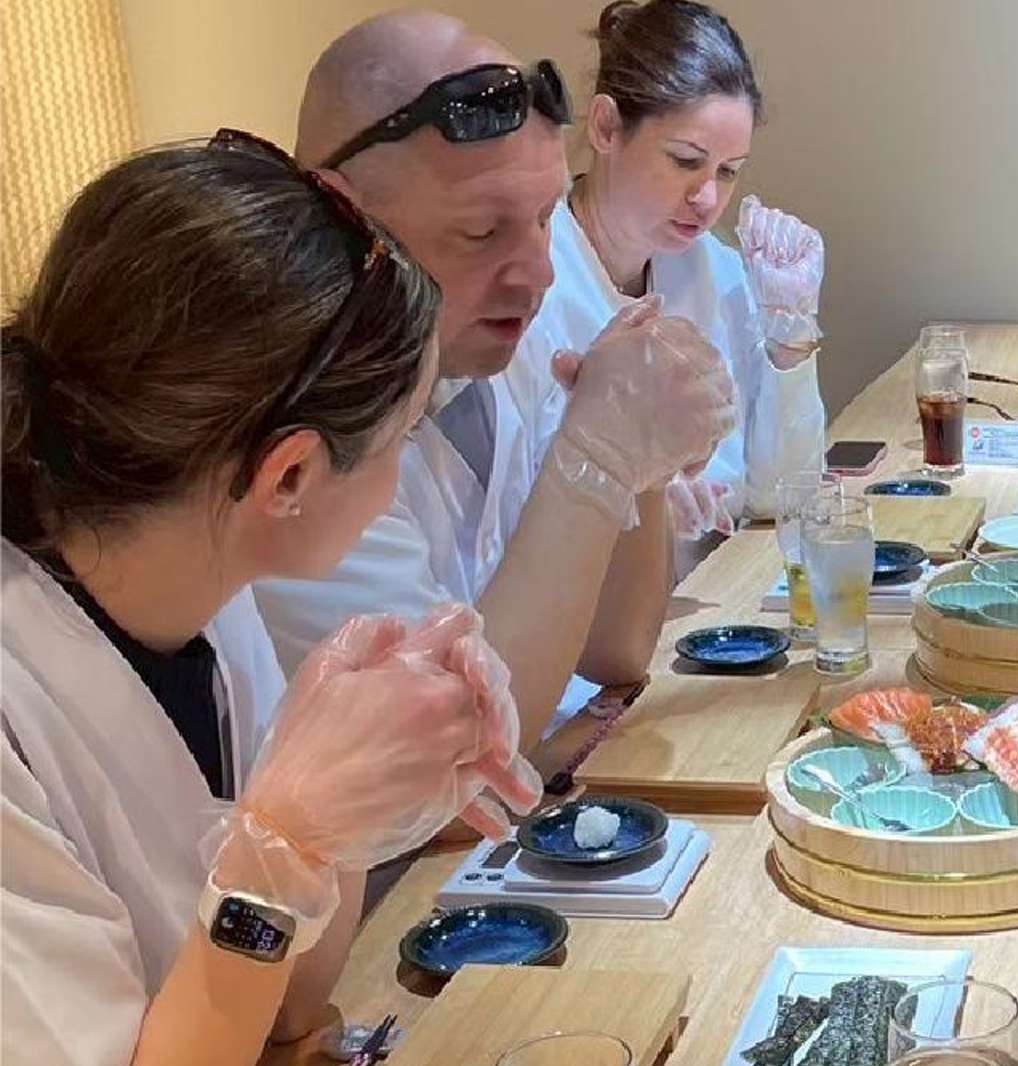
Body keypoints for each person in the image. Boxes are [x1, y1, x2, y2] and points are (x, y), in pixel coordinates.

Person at [0, 137, 541, 1066]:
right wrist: (278, 849)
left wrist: (350, 798)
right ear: (287, 474)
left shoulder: (209, 592)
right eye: (404, 436)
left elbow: (288, 1007)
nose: (404, 464)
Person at [254, 11, 739, 752]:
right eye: (482, 233)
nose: (540, 274)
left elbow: (615, 650)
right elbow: (448, 767)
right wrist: (596, 456)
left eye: (545, 219)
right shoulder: (300, 435)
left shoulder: (500, 350)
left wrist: (640, 457)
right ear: (339, 216)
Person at [525, 0, 827, 578]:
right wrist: (636, 499)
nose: (708, 198)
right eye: (686, 161)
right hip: (589, 639)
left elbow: (783, 495)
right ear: (607, 127)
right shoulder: (534, 281)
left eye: (728, 171)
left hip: (720, 598)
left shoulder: (714, 269)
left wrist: (791, 336)